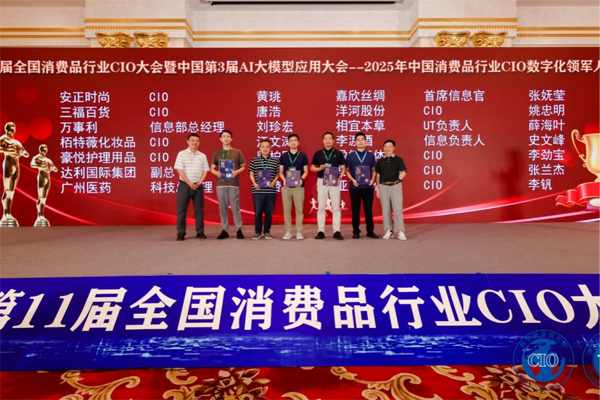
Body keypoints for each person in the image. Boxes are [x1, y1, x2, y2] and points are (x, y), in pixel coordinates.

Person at [310, 132, 346, 240]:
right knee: (321, 206)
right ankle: (320, 231)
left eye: (330, 138)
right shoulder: (318, 154)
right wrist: (319, 168)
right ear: (322, 141)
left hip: (334, 182)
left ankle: (337, 231)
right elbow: (312, 168)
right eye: (326, 138)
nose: (328, 140)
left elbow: (343, 168)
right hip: (322, 181)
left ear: (333, 140)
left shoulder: (338, 153)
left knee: (336, 207)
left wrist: (339, 178)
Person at [211, 130, 246, 239]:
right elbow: (212, 168)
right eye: (224, 136)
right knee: (222, 208)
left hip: (233, 183)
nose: (226, 138)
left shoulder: (237, 152)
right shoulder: (216, 153)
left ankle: (239, 229)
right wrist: (216, 173)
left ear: (231, 139)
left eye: (228, 136)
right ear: (220, 139)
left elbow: (243, 167)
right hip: (221, 184)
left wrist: (236, 172)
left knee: (235, 207)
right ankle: (224, 230)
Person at [174, 133, 209, 241]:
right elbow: (179, 170)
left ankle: (200, 232)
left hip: (198, 186)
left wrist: (200, 182)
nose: (195, 142)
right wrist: (189, 183)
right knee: (181, 210)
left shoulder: (202, 156)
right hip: (185, 186)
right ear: (187, 141)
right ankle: (181, 233)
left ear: (199, 142)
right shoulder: (181, 154)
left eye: (197, 141)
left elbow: (205, 170)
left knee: (199, 210)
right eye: (192, 140)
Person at [345, 132, 378, 239]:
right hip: (355, 187)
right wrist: (352, 179)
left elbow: (374, 169)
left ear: (365, 141)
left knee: (368, 210)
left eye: (362, 140)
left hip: (368, 187)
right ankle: (356, 231)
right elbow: (347, 170)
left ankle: (370, 231)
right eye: (358, 140)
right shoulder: (350, 156)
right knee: (355, 210)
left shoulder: (371, 155)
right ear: (355, 142)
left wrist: (372, 180)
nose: (360, 142)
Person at [376, 140, 407, 240]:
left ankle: (400, 231)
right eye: (385, 146)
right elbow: (378, 175)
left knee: (398, 209)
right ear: (383, 148)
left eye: (390, 146)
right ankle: (388, 230)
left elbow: (403, 171)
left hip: (396, 185)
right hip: (384, 186)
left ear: (394, 148)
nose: (387, 148)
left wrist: (402, 175)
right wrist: (377, 189)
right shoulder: (380, 161)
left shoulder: (398, 159)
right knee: (385, 210)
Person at [279, 134, 309, 240]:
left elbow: (306, 171)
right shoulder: (283, 156)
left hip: (298, 186)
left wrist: (301, 180)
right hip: (286, 186)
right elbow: (280, 171)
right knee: (287, 210)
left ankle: (299, 231)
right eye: (291, 140)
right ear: (288, 143)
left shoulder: (303, 156)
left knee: (299, 210)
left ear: (298, 142)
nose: (293, 142)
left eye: (295, 140)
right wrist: (284, 180)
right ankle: (288, 231)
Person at [249, 140, 280, 240]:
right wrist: (254, 183)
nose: (265, 149)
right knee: (258, 212)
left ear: (270, 148)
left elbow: (278, 173)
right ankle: (257, 232)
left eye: (267, 147)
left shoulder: (275, 161)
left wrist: (274, 182)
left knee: (269, 213)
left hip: (271, 191)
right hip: (258, 190)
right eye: (263, 147)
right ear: (260, 148)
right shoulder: (254, 160)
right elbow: (251, 173)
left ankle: (267, 232)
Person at [0, 122, 29, 227]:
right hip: (8, 164)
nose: (12, 131)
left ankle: (9, 212)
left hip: (16, 165)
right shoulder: (3, 139)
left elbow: (26, 153)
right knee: (7, 189)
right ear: (6, 129)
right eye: (10, 129)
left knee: (12, 191)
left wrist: (21, 153)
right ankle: (5, 214)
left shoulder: (16, 142)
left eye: (13, 129)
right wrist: (9, 150)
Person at [30, 144, 58, 227]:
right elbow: (32, 164)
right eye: (43, 150)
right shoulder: (37, 158)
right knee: (41, 197)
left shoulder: (48, 160)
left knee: (44, 198)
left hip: (47, 178)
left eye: (45, 150)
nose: (44, 152)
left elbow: (55, 169)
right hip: (41, 177)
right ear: (40, 150)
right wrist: (41, 166)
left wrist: (51, 168)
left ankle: (42, 215)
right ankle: (40, 215)